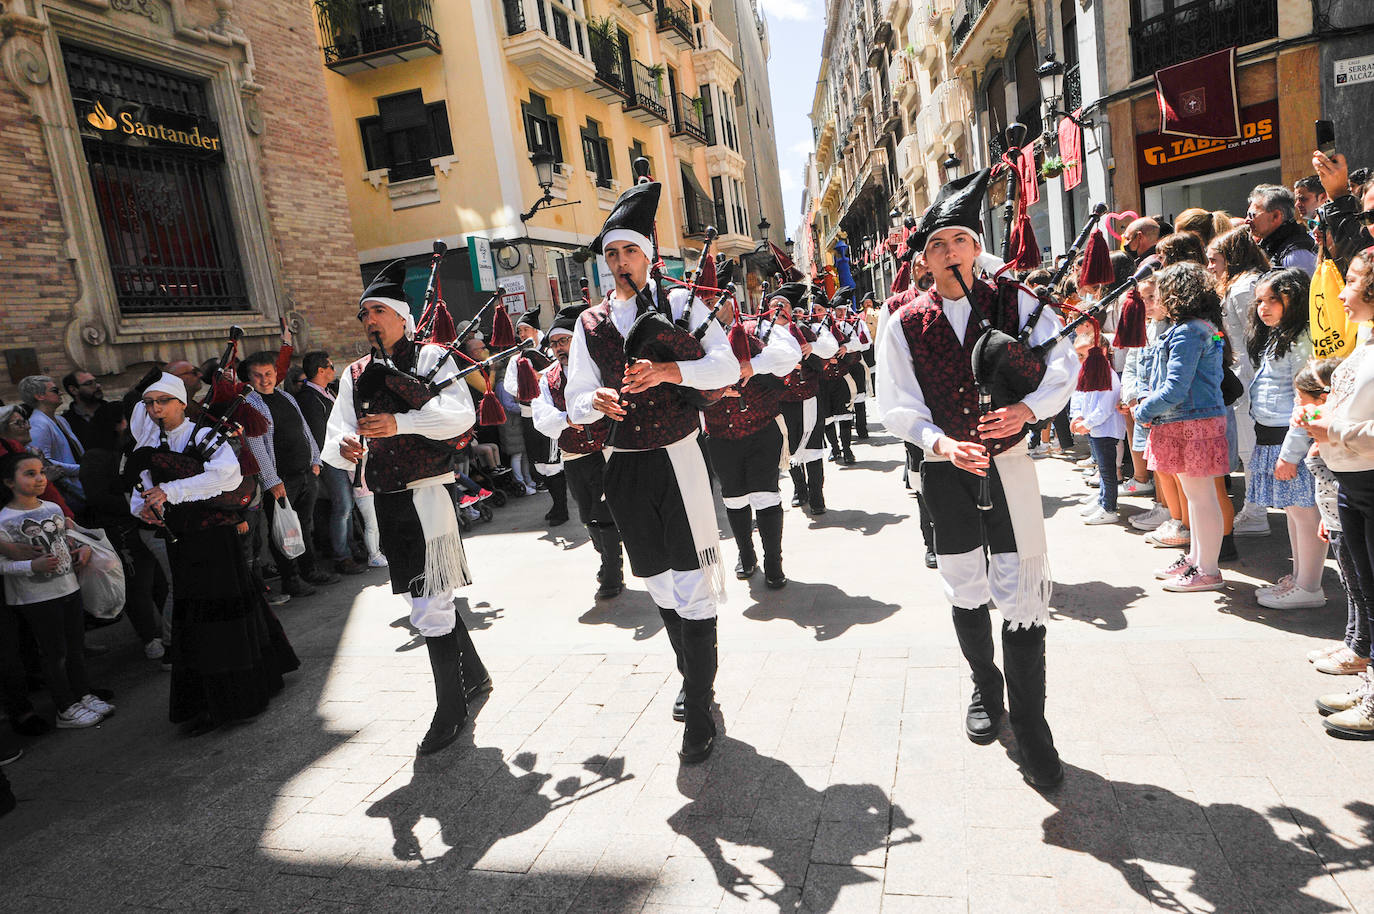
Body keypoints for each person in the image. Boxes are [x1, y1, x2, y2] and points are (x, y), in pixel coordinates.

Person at [878, 168, 1076, 789]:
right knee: (965, 583)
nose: (948, 253)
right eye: (936, 245)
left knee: (1020, 588)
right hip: (945, 471)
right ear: (925, 257)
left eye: (958, 240)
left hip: (1010, 468)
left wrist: (1027, 410)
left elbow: (1061, 364)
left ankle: (1033, 722)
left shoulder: (1016, 300)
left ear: (975, 245)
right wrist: (939, 442)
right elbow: (897, 404)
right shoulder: (903, 321)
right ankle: (985, 688)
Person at [564, 180, 740, 764]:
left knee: (692, 583)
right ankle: (692, 678)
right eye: (611, 254)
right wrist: (598, 404)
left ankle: (700, 697)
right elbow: (575, 396)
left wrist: (668, 373)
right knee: (661, 585)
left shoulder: (684, 307)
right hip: (624, 466)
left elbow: (724, 370)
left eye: (629, 252)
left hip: (680, 459)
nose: (619, 264)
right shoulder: (590, 325)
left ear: (649, 256)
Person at [322, 260, 490, 756]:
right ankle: (474, 675)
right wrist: (347, 447)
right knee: (421, 597)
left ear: (402, 317)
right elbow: (336, 432)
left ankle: (451, 707)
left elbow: (460, 416)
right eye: (364, 313)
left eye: (378, 310)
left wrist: (403, 424)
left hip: (429, 494)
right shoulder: (355, 373)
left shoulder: (432, 357)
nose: (370, 320)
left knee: (430, 599)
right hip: (388, 496)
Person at [129, 374, 298, 736]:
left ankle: (239, 697)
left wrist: (169, 491)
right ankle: (206, 700)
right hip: (181, 542)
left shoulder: (205, 435)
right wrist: (142, 508)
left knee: (226, 613)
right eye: (149, 402)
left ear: (180, 403)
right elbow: (139, 486)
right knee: (196, 620)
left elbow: (226, 477)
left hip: (215, 539)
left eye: (163, 401)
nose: (155, 408)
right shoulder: (146, 443)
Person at [1298, 249, 1374, 738]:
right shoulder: (1366, 338)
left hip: (1366, 473)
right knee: (1367, 589)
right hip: (1353, 478)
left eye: (1350, 281)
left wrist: (1334, 429)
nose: (1340, 293)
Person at [1134, 263, 1230, 593]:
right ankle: (1198, 560)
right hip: (1193, 419)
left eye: (1160, 290)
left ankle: (1208, 569)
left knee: (1200, 498)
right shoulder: (1202, 327)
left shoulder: (1189, 331)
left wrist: (1143, 410)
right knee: (1197, 498)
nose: (1155, 296)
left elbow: (1175, 386)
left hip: (1190, 421)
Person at [703, 286, 802, 588]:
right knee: (733, 498)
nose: (710, 306)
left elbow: (790, 355)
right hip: (720, 434)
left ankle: (774, 561)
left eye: (715, 300)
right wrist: (710, 391)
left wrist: (752, 365)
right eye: (705, 302)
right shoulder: (694, 338)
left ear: (730, 302)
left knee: (765, 494)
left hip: (761, 430)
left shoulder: (756, 328)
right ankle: (746, 555)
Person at [0, 452, 104, 728]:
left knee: (75, 646)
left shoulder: (52, 509)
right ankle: (65, 707)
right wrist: (32, 566)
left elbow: (68, 540)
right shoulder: (4, 519)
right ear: (9, 482)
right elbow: (3, 564)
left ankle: (83, 694)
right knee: (54, 652)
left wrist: (81, 549)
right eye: (29, 474)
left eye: (42, 472)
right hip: (35, 597)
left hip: (68, 587)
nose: (39, 479)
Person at [531, 304, 624, 599]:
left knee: (603, 512)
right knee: (587, 516)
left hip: (605, 452)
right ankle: (608, 558)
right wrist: (567, 419)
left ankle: (612, 574)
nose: (559, 348)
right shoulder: (547, 378)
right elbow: (541, 418)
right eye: (554, 343)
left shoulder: (597, 369)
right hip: (573, 456)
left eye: (565, 340)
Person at [1245, 268, 1323, 608]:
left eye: (1273, 300)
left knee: (1305, 513)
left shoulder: (1300, 338)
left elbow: (1304, 399)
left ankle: (1309, 587)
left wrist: (1291, 453)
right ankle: (1301, 577)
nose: (1264, 308)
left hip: (1290, 439)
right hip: (1273, 435)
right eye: (1260, 300)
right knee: (1294, 511)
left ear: (1294, 298)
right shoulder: (1280, 336)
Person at [240, 351, 340, 596]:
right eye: (258, 376)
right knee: (284, 531)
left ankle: (309, 570)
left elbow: (304, 429)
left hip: (305, 473)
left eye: (269, 374)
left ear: (276, 373)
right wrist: (272, 481)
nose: (265, 380)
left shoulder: (286, 396)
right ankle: (291, 579)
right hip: (281, 480)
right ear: (250, 378)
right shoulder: (250, 404)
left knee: (304, 526)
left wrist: (315, 460)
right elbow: (256, 446)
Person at [1295, 358, 1368, 675]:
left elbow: (1343, 481)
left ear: (1325, 400)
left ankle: (1361, 647)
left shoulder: (1337, 439)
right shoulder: (1323, 439)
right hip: (1336, 520)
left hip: (1346, 516)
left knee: (1362, 585)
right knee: (1352, 586)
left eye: (1301, 399)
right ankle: (1353, 638)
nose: (1297, 406)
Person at [1206, 228, 1272, 536]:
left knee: (1250, 447)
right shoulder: (1240, 283)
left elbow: (1256, 336)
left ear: (1231, 258)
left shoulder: (1246, 285)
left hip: (1249, 375)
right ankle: (1254, 508)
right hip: (1243, 372)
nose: (1210, 266)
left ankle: (1256, 512)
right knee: (1248, 447)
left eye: (1214, 259)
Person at [296, 351, 365, 576]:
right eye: (331, 367)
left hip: (340, 455)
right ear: (321, 370)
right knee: (342, 505)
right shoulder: (308, 397)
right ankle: (342, 556)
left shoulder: (325, 392)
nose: (334, 371)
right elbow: (317, 433)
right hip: (329, 458)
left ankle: (350, 547)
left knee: (346, 505)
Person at [782, 291, 840, 515]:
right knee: (791, 447)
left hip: (809, 397)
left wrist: (810, 350)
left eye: (784, 306)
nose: (780, 311)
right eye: (774, 306)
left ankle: (817, 495)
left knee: (813, 447)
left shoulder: (808, 330)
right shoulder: (765, 334)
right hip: (782, 401)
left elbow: (829, 349)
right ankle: (799, 490)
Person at [19, 375, 85, 515]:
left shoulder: (60, 419)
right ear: (39, 396)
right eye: (55, 390)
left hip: (81, 484)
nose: (60, 393)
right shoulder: (38, 424)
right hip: (70, 492)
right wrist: (82, 469)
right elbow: (44, 463)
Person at [1246, 184, 1318, 276]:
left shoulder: (1296, 254)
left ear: (1276, 216)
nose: (1247, 220)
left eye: (1252, 215)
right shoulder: (1273, 247)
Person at [60, 371, 122, 452]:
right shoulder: (66, 423)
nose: (97, 386)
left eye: (96, 382)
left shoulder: (116, 410)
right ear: (74, 390)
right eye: (89, 383)